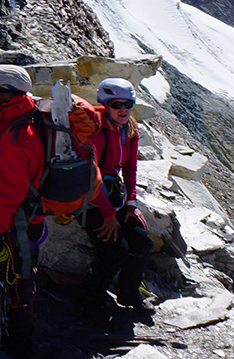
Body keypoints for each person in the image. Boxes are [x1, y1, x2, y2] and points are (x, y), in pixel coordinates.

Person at [0, 64, 43, 358]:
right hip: (24, 220)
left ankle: (20, 346)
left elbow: (11, 192)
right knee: (18, 278)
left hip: (17, 223)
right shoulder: (15, 122)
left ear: (8, 95)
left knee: (18, 284)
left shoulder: (18, 136)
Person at [78, 77, 152, 315]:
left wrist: (131, 203)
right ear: (104, 104)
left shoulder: (129, 129)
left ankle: (129, 294)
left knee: (142, 241)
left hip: (111, 195)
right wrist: (109, 215)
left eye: (128, 104)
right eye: (116, 104)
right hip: (86, 199)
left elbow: (130, 167)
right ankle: (92, 301)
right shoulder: (95, 131)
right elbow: (91, 174)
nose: (123, 110)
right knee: (115, 249)